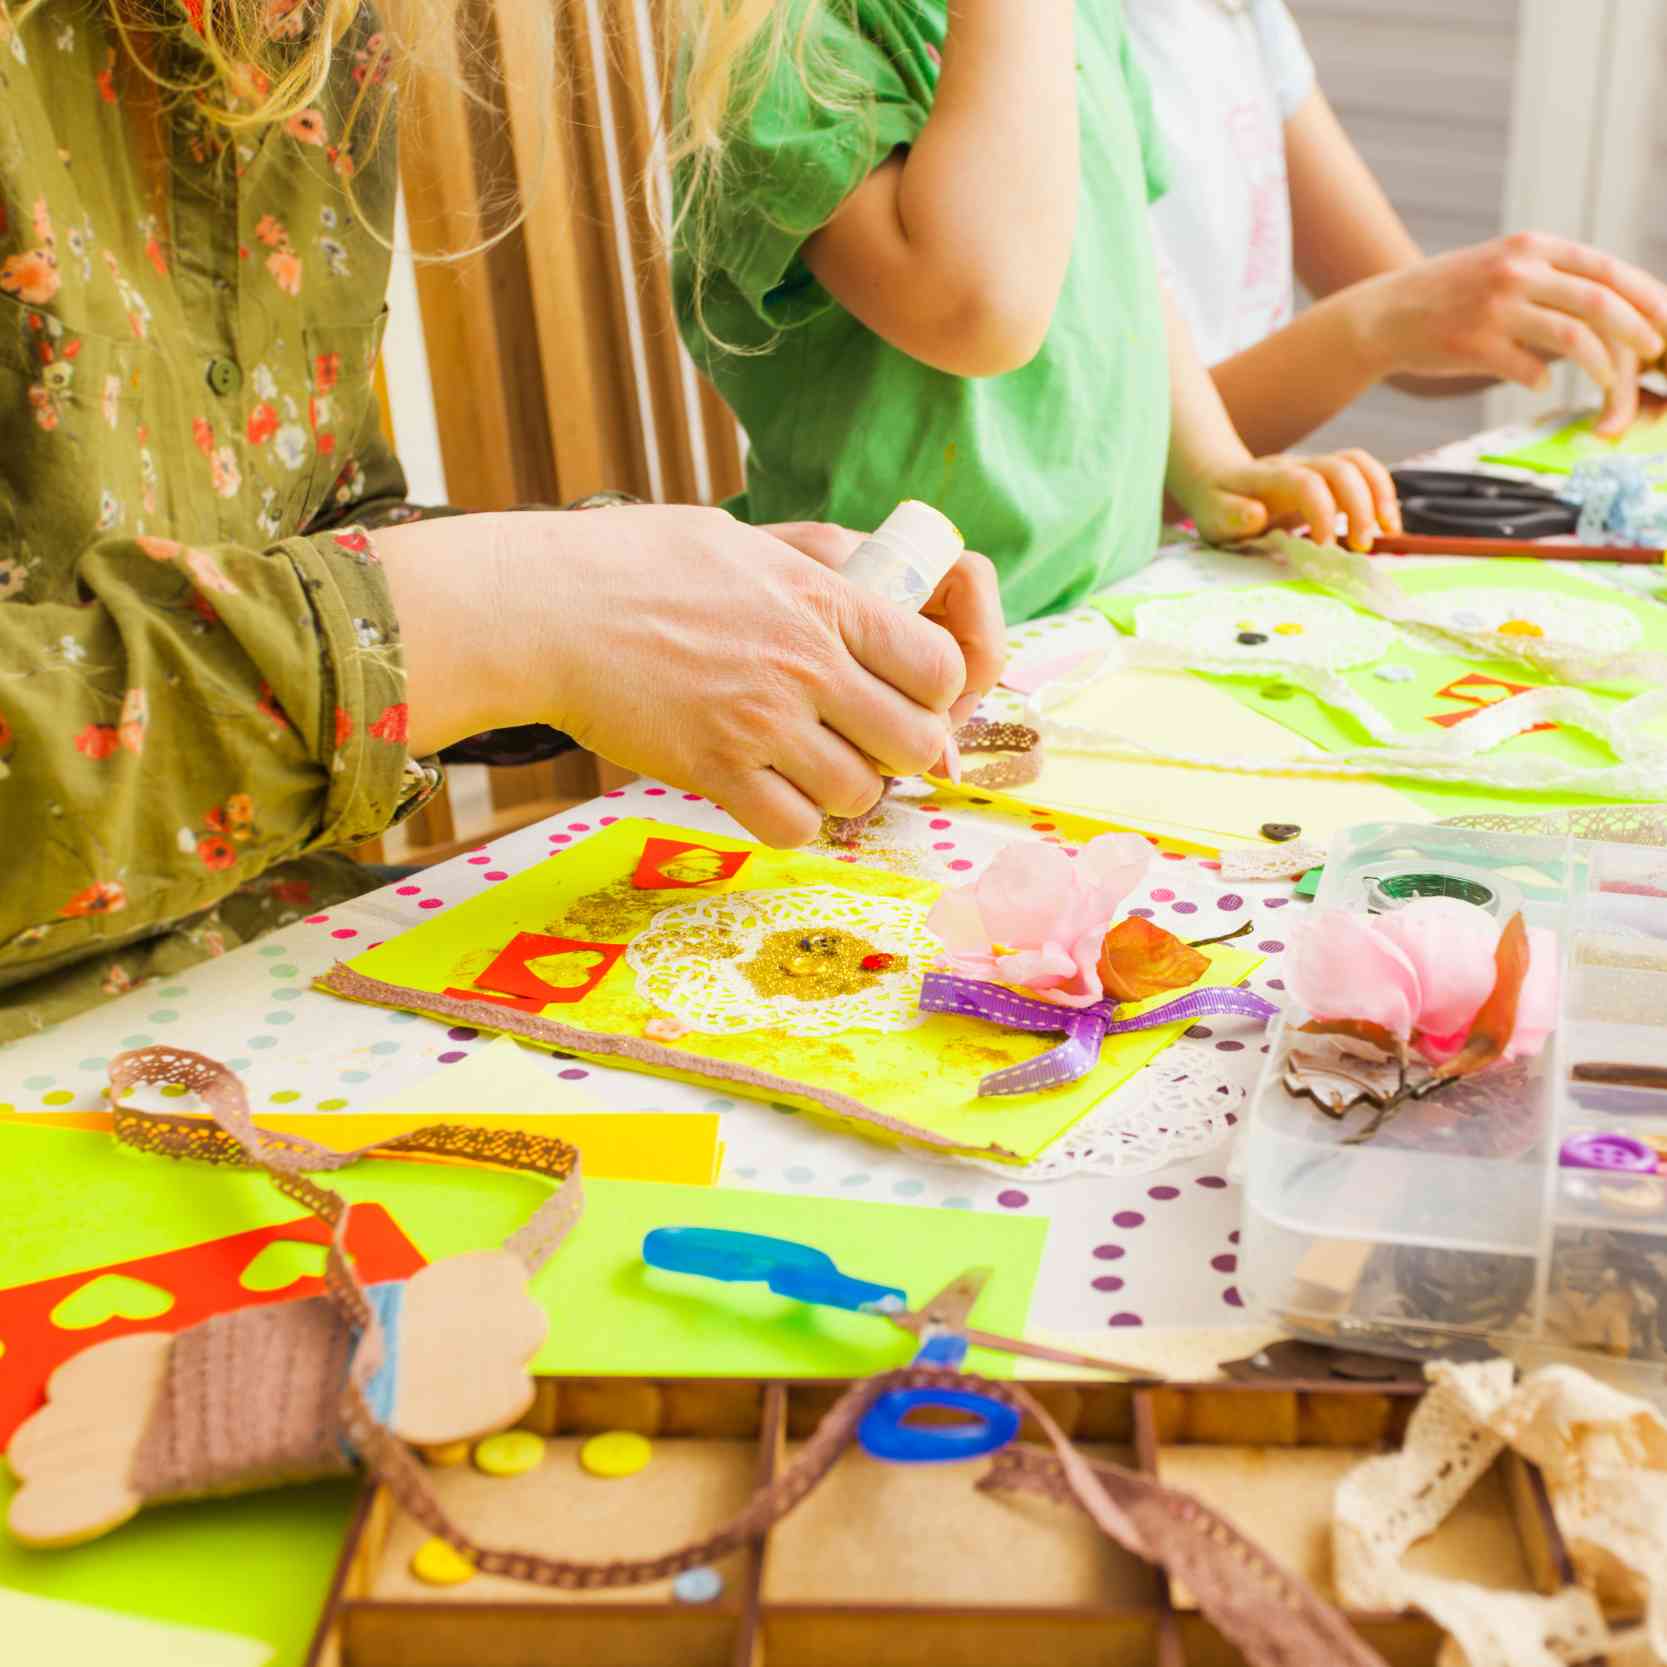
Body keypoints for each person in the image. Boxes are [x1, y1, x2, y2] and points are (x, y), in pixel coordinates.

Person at [0, 0, 1003, 1042]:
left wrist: (637, 599)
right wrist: (507, 616)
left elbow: (307, 528)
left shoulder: (306, 38)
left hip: (272, 975)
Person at [668, 0, 1401, 627]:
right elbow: (975, 313)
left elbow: (1121, 253)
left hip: (1105, 613)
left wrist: (1215, 463)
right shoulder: (781, 40)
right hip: (891, 654)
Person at [1124, 0, 1667, 454]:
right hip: (1104, 566)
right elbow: (1102, 465)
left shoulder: (1240, 14)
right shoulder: (1064, 35)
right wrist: (1373, 327)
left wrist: (1581, 309)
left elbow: (1418, 326)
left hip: (1212, 548)